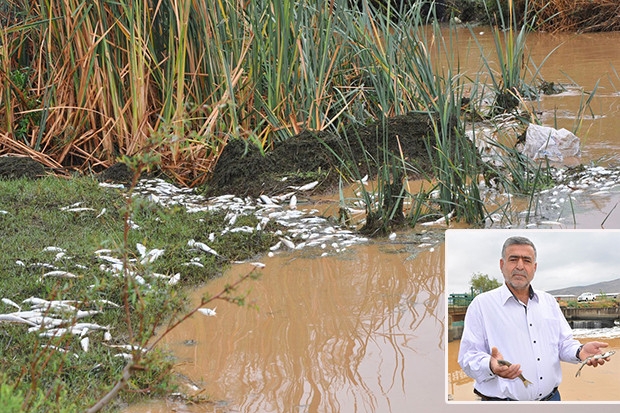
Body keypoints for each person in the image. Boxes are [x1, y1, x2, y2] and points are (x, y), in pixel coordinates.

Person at [458, 236, 611, 401]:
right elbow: (468, 357)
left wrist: (579, 351)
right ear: (502, 265)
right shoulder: (481, 305)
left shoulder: (549, 302)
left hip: (551, 399)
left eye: (527, 260)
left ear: (534, 267)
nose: (520, 266)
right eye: (513, 259)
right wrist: (490, 365)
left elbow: (563, 344)